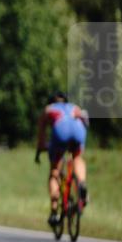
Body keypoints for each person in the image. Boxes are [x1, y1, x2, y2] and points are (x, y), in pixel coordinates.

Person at [35, 91, 89, 227]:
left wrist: (41, 148)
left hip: (61, 130)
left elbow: (41, 133)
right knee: (77, 157)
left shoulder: (49, 109)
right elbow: (85, 121)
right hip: (78, 129)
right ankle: (81, 183)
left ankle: (54, 211)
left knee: (54, 171)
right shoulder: (73, 106)